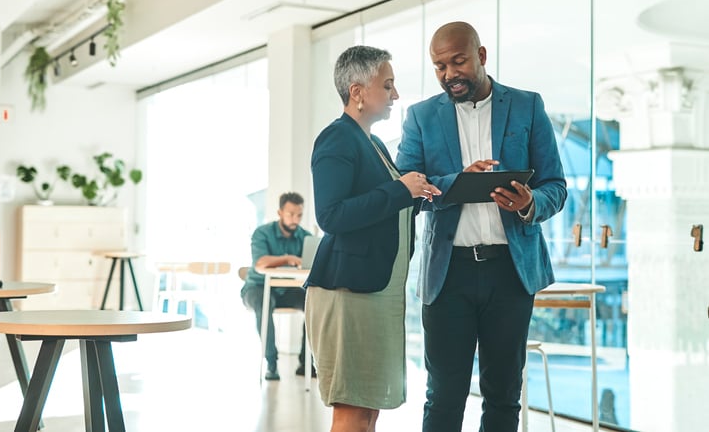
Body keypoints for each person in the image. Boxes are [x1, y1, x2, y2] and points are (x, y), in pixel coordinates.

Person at [395, 21, 567, 432]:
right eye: (439, 66)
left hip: (510, 271)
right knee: (444, 396)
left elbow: (555, 186)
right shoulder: (420, 117)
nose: (449, 74)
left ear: (481, 56)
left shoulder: (526, 106)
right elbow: (406, 189)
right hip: (447, 274)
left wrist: (529, 204)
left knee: (504, 394)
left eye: (457, 61)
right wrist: (459, 181)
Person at [305, 45, 441, 432]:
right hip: (348, 293)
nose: (395, 95)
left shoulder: (375, 144)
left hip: (374, 292)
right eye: (388, 85)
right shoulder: (336, 140)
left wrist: (435, 190)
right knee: (352, 409)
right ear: (357, 91)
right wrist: (401, 191)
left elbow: (386, 207)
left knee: (367, 411)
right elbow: (331, 216)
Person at [240, 191, 313, 381]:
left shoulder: (306, 237)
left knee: (312, 303)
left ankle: (306, 363)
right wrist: (288, 258)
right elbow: (260, 263)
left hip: (286, 289)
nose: (295, 219)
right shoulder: (262, 233)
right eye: (290, 214)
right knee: (264, 304)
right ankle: (271, 363)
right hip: (257, 288)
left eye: (299, 215)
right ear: (280, 212)